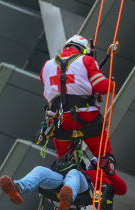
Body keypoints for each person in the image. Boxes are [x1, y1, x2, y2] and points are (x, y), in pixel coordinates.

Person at [40, 34, 116, 175]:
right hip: (86, 118)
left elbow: (52, 93)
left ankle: (64, 183)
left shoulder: (47, 65)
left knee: (63, 163)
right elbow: (102, 87)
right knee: (104, 157)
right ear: (84, 50)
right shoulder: (87, 60)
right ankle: (106, 179)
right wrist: (111, 83)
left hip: (60, 122)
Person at [0, 154, 126, 210]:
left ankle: (68, 197)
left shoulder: (108, 178)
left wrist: (109, 171)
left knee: (74, 173)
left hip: (84, 191)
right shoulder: (85, 169)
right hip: (65, 183)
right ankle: (19, 187)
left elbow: (122, 189)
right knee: (41, 170)